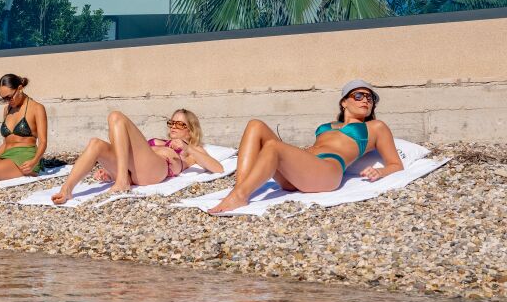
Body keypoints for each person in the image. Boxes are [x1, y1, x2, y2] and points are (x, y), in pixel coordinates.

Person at [208, 80, 403, 214]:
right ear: (344, 102)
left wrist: (381, 172)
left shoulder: (376, 127)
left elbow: (396, 164)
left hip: (328, 171)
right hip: (302, 172)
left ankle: (239, 196)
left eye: (370, 98)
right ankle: (240, 188)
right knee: (255, 125)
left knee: (273, 146)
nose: (365, 100)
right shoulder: (328, 126)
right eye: (359, 95)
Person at [51, 109, 223, 204]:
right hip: (134, 170)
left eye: (180, 123)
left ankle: (121, 181)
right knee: (96, 143)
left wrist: (188, 148)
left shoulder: (191, 149)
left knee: (116, 117)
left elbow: (217, 168)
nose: (173, 126)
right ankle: (66, 190)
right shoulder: (159, 141)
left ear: (190, 129)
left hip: (157, 169)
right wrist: (109, 172)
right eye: (171, 122)